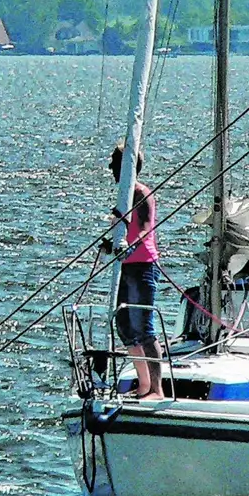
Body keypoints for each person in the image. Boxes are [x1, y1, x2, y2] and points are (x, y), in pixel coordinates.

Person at [107, 142, 165, 400]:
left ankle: (157, 389)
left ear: (127, 167)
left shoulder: (140, 193)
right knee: (124, 326)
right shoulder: (124, 195)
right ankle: (143, 385)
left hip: (142, 266)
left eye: (115, 163)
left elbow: (143, 229)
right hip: (126, 266)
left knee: (143, 327)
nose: (111, 168)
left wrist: (128, 247)